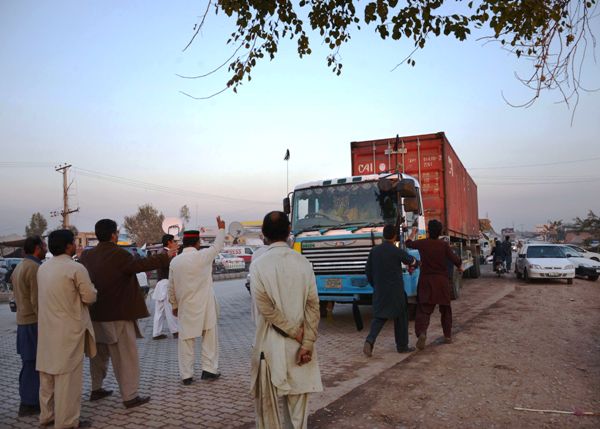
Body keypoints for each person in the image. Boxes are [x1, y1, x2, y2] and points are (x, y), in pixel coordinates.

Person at [79, 219, 176, 409]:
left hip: (95, 314)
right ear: (114, 234)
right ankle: (130, 396)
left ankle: (96, 389)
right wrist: (166, 256)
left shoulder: (87, 256)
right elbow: (141, 264)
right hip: (118, 314)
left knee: (98, 356)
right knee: (125, 357)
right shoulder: (118, 254)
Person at [250, 211, 322, 428]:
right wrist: (306, 341)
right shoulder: (304, 263)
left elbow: (266, 310)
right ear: (289, 231)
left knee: (268, 416)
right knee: (298, 418)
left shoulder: (258, 265)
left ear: (263, 234)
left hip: (268, 348)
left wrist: (295, 332)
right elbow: (313, 306)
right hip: (300, 349)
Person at [36, 229, 97, 428]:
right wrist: (94, 289)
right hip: (69, 332)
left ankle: (47, 417)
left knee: (47, 378)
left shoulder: (43, 268)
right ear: (68, 246)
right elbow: (89, 297)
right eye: (74, 242)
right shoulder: (76, 268)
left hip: (46, 331)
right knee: (67, 380)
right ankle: (67, 422)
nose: (76, 245)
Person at [168, 218, 226, 385]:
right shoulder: (203, 256)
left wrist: (174, 305)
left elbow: (171, 287)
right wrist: (221, 229)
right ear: (197, 242)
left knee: (186, 340)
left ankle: (186, 375)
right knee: (209, 337)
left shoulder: (175, 261)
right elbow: (217, 246)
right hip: (206, 306)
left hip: (185, 306)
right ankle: (209, 370)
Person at [363, 224, 418, 357]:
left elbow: (367, 271)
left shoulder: (374, 251)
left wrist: (375, 285)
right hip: (396, 291)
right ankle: (402, 346)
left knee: (379, 317)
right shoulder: (395, 250)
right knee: (401, 317)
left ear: (383, 235)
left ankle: (370, 341)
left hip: (380, 290)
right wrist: (416, 263)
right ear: (394, 236)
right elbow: (411, 261)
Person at [407, 220, 462, 350]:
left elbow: (408, 244)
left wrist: (413, 233)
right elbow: (455, 260)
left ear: (428, 231)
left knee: (423, 311)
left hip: (426, 281)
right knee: (445, 310)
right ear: (440, 232)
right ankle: (447, 336)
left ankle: (422, 333)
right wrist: (460, 266)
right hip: (441, 282)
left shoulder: (423, 243)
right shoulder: (443, 245)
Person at [11, 236, 46, 417]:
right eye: (44, 245)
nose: (47, 248)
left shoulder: (20, 266)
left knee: (29, 363)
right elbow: (36, 301)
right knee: (33, 364)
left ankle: (28, 401)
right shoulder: (34, 268)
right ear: (38, 248)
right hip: (32, 323)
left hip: (23, 322)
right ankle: (30, 403)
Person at [151, 234, 179, 340]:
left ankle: (156, 333)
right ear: (169, 242)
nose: (175, 244)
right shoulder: (166, 253)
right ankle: (175, 331)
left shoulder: (161, 252)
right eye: (174, 241)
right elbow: (172, 267)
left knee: (159, 310)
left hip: (161, 283)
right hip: (166, 283)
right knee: (170, 307)